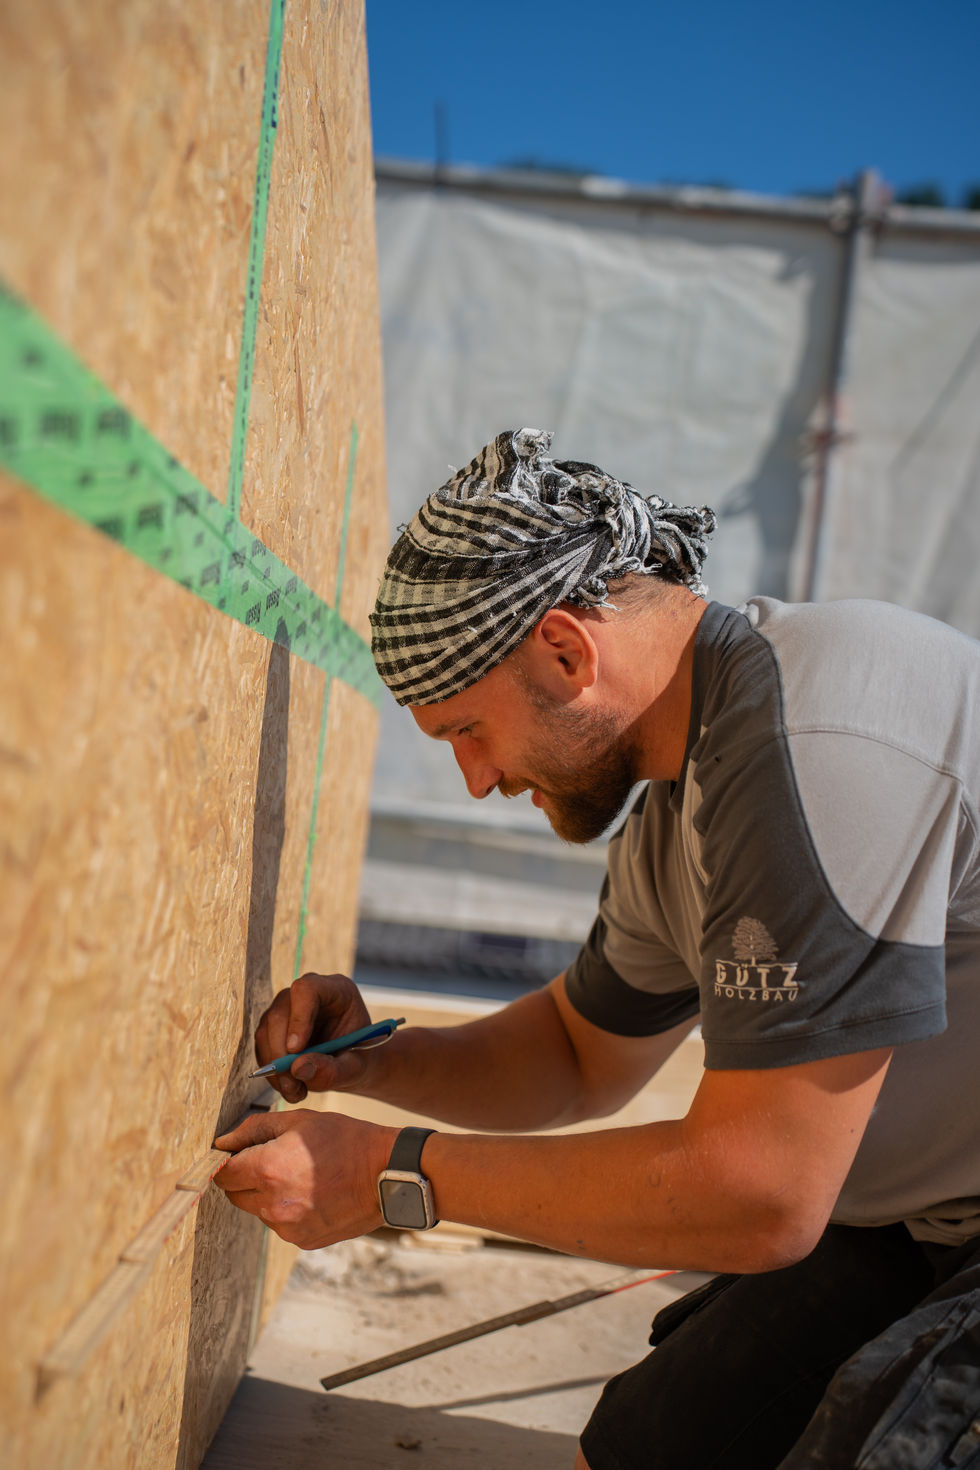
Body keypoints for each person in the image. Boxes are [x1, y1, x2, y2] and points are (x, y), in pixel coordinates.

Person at [215, 429, 980, 1469]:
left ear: (567, 653)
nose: (475, 784)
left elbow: (756, 1195)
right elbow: (577, 1058)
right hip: (921, 1226)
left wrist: (393, 1177)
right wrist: (376, 1062)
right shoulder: (682, 794)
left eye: (464, 732)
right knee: (638, 1449)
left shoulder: (812, 746)